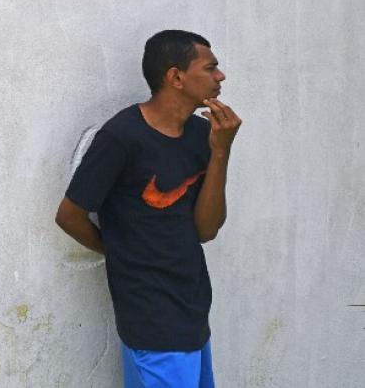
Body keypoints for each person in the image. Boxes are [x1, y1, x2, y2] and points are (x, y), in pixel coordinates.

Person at [55, 30, 241, 388]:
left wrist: (221, 152)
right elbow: (69, 215)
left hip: (192, 307)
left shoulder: (204, 135)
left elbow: (206, 230)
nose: (221, 77)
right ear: (176, 77)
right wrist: (121, 251)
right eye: (211, 68)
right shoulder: (121, 137)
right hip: (151, 314)